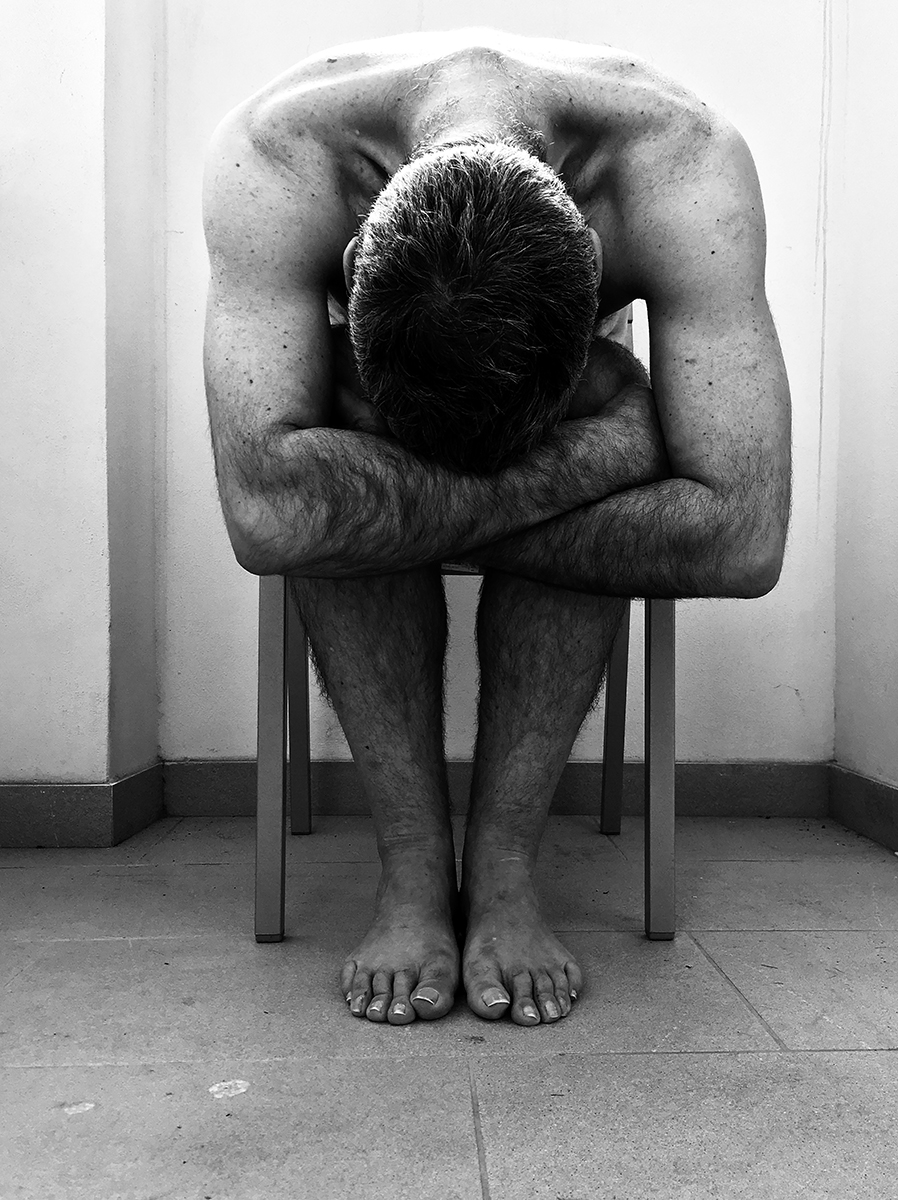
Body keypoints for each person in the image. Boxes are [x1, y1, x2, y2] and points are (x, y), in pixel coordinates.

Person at [202, 28, 791, 1028]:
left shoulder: (682, 170)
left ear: (595, 265)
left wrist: (406, 514)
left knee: (343, 508)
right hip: (410, 399)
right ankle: (413, 869)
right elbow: (266, 515)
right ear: (356, 257)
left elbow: (742, 537)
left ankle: (506, 868)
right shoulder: (276, 159)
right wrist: (608, 451)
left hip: (548, 385)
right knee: (335, 490)